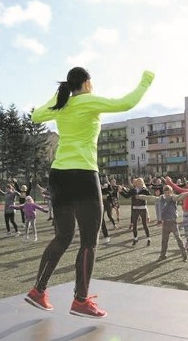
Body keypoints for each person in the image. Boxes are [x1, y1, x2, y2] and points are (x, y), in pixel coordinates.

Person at [24, 67, 154, 318]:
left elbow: (35, 116)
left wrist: (59, 97)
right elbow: (127, 102)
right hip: (83, 174)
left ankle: (38, 291)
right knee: (88, 242)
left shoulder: (61, 105)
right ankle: (80, 301)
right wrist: (146, 81)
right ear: (86, 83)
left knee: (63, 236)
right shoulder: (88, 100)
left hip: (59, 175)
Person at [137, 185, 188, 261]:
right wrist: (141, 196)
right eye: (166, 192)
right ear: (164, 192)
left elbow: (179, 197)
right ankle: (162, 255)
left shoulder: (173, 198)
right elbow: (150, 198)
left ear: (171, 192)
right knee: (164, 240)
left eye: (169, 192)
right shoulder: (161, 198)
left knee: (178, 239)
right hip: (165, 223)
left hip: (173, 223)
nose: (167, 194)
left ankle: (185, 256)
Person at [119, 178, 152, 246]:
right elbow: (126, 196)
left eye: (140, 182)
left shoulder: (144, 190)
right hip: (135, 209)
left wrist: (141, 197)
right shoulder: (133, 190)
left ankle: (148, 238)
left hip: (143, 208)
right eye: (138, 182)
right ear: (136, 183)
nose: (139, 183)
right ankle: (135, 238)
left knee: (144, 224)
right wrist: (120, 191)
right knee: (134, 224)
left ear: (142, 183)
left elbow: (149, 197)